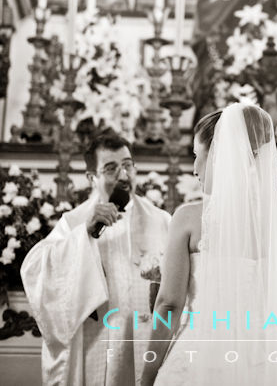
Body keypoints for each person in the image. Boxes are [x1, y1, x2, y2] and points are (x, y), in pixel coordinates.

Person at [141, 104, 277, 386]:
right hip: (265, 367)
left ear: (220, 156)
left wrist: (146, 377)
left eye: (197, 157)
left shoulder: (188, 219)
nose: (194, 169)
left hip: (200, 363)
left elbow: (168, 305)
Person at [21, 133, 171, 386]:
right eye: (111, 168)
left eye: (127, 164)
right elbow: (35, 269)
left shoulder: (162, 221)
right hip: (97, 343)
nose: (123, 175)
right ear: (92, 177)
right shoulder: (74, 222)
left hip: (146, 338)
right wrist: (84, 236)